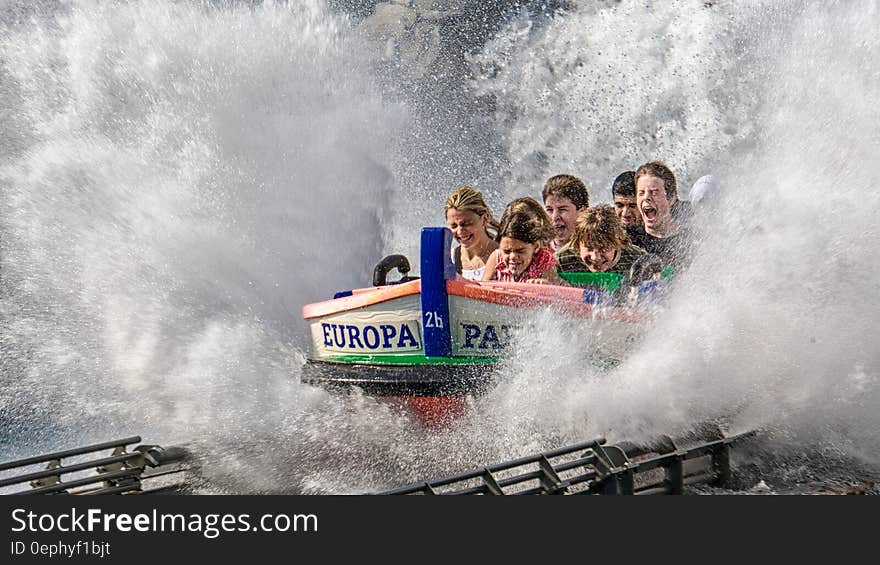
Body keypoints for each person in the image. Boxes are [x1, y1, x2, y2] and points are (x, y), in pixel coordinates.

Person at [631, 161, 693, 269]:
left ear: (671, 199)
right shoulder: (630, 240)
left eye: (654, 193)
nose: (646, 197)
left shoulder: (689, 241)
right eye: (641, 193)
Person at [482, 206, 560, 284]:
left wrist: (547, 286)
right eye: (506, 251)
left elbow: (560, 289)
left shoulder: (543, 261)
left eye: (520, 251)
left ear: (536, 247)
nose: (513, 256)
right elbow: (483, 288)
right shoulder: (496, 258)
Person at [565, 205, 646, 275]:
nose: (595, 257)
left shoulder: (637, 260)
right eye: (589, 248)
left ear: (618, 243)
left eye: (603, 248)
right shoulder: (562, 262)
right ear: (577, 245)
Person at [445, 185, 500, 281]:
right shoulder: (449, 259)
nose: (460, 231)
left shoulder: (505, 257)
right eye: (454, 226)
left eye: (466, 224)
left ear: (484, 218)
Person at [541, 174, 590, 252]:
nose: (555, 217)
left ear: (582, 212)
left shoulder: (595, 254)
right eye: (550, 210)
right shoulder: (533, 251)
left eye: (562, 209)